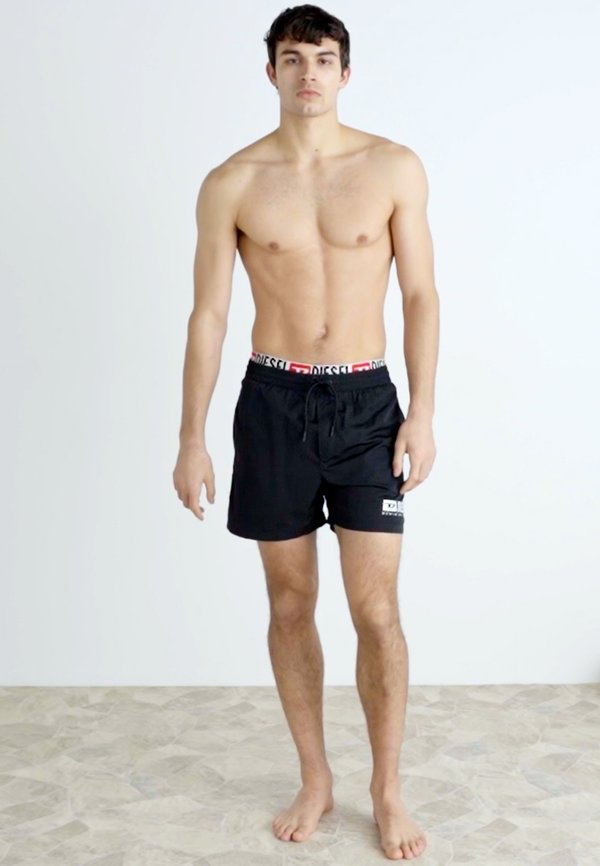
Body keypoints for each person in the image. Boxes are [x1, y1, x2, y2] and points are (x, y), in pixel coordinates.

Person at [173, 4, 438, 860]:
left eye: (323, 59)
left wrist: (423, 412)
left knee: (377, 609)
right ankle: (315, 777)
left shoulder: (392, 167)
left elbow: (421, 295)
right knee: (290, 603)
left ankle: (386, 788)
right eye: (293, 59)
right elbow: (209, 316)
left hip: (367, 403)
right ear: (272, 73)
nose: (309, 74)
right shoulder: (233, 182)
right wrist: (190, 436)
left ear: (345, 72)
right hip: (274, 403)